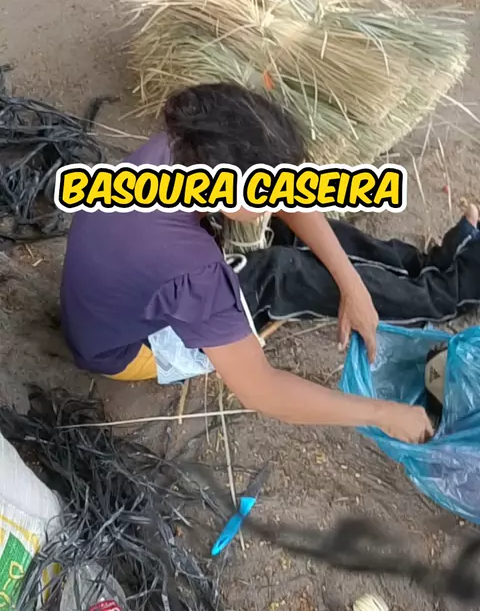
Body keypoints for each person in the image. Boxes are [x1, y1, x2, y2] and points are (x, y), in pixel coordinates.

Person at [61, 83, 434, 444]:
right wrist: (384, 414)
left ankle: (413, 276)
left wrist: (351, 284)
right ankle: (433, 288)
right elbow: (263, 392)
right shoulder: (196, 275)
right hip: (124, 351)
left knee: (299, 246)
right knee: (280, 276)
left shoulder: (182, 144)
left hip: (105, 306)